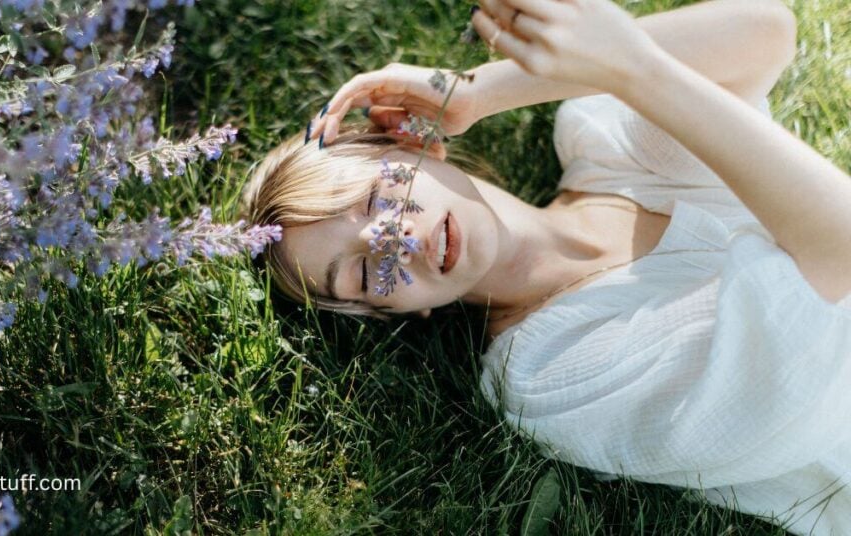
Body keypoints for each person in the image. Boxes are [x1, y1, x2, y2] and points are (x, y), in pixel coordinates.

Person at [238, 0, 851, 533]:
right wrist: (630, 69)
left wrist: (481, 90)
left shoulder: (604, 141)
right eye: (364, 272)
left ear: (413, 142)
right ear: (393, 311)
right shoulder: (547, 376)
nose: (398, 243)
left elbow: (764, 31)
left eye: (378, 199)